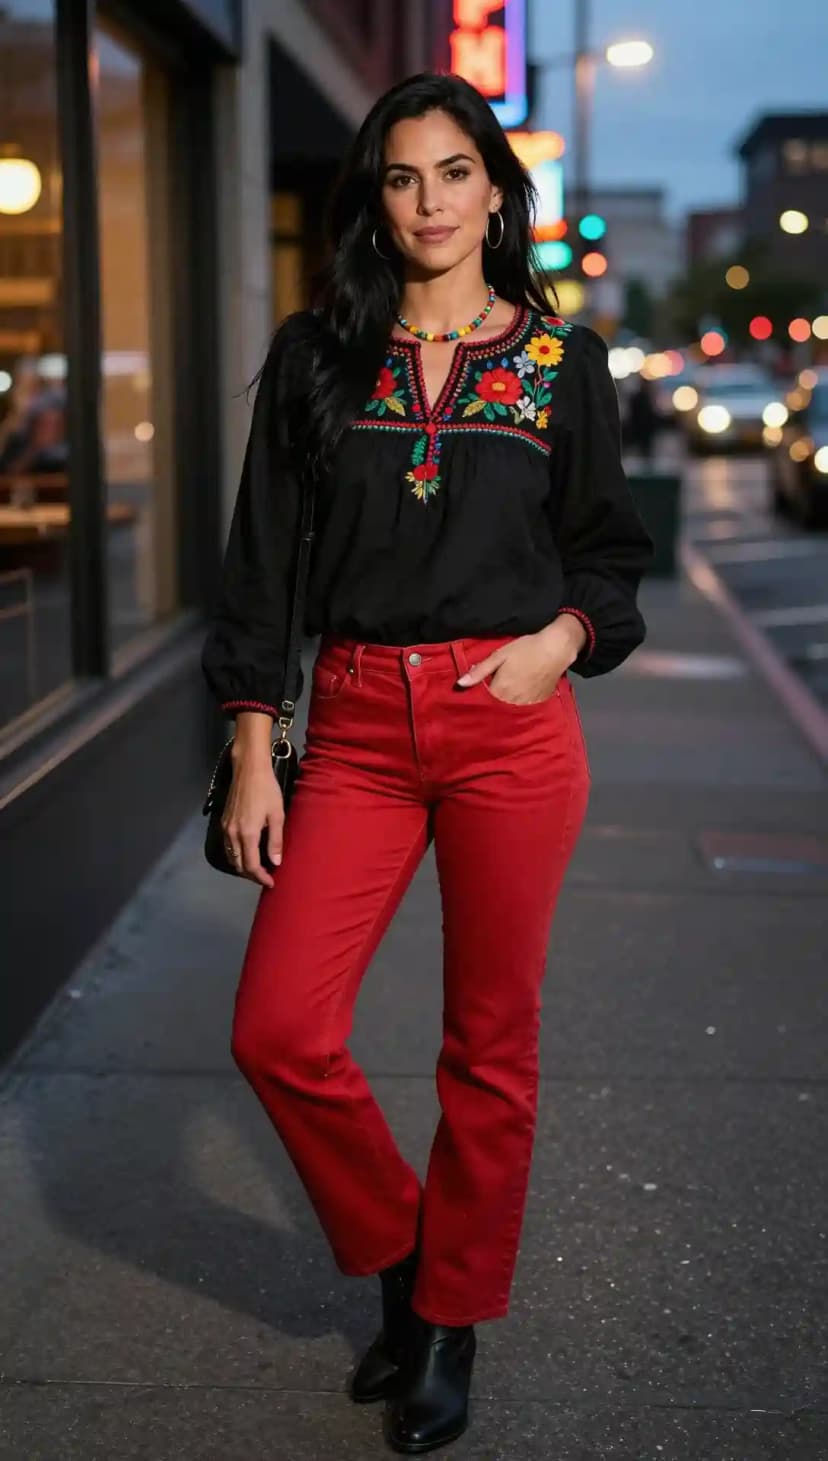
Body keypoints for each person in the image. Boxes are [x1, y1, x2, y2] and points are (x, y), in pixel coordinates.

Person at [201, 72, 654, 1456]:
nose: (430, 202)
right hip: (353, 724)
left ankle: (449, 1322)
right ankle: (409, 1256)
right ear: (375, 201)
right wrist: (250, 750)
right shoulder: (320, 358)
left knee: (488, 1049)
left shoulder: (559, 366)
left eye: (455, 173)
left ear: (495, 190)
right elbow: (262, 574)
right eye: (403, 179)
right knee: (278, 1027)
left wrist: (559, 640)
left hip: (510, 725)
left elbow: (613, 559)